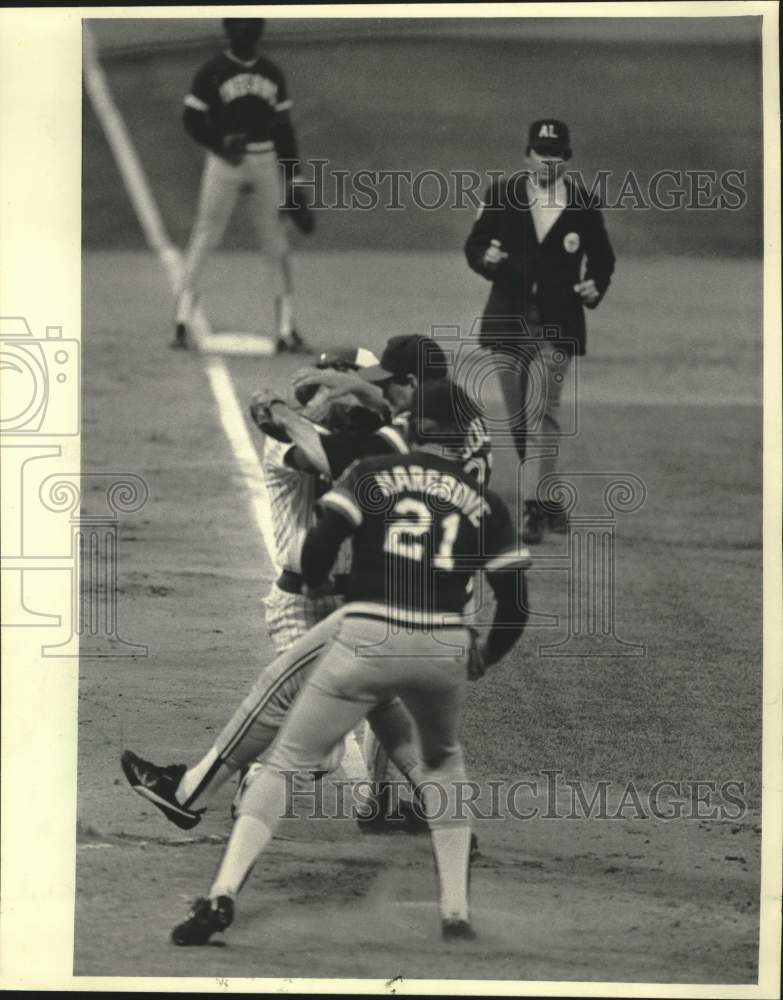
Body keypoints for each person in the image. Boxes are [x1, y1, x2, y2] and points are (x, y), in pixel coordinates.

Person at [166, 381, 530, 945]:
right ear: (463, 440)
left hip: (366, 636)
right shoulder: (485, 500)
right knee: (443, 764)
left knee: (285, 762)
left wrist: (323, 585)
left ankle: (222, 893)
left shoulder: (372, 474)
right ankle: (455, 910)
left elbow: (316, 549)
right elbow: (516, 603)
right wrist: (484, 655)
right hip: (443, 648)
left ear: (412, 426)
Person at [464, 118, 616, 543]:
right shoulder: (502, 195)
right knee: (517, 417)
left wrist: (594, 285)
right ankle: (548, 498)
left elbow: (603, 259)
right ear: (527, 154)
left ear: (566, 159)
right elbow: (475, 245)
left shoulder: (583, 204)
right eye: (540, 154)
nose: (547, 162)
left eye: (556, 155)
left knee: (541, 412)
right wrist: (485, 259)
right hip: (508, 318)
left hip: (558, 320)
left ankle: (533, 509)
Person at [174, 18, 313, 351]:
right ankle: (181, 321)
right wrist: (219, 142)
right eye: (240, 26)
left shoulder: (272, 73)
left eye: (251, 26)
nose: (246, 32)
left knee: (275, 242)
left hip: (266, 161)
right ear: (227, 29)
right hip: (225, 162)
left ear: (260, 30)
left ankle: (284, 330)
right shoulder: (212, 71)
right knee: (207, 234)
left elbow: (284, 129)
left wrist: (294, 180)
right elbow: (191, 118)